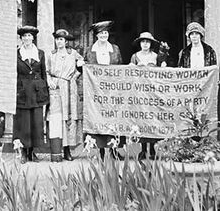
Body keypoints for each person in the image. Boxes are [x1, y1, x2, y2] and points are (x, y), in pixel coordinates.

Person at [85, 20, 124, 159]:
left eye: (106, 33)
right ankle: (101, 151)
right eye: (101, 33)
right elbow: (86, 69)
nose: (103, 35)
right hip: (96, 92)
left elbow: (120, 67)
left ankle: (113, 150)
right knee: (99, 118)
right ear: (96, 35)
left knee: (113, 118)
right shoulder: (90, 50)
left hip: (112, 91)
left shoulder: (115, 49)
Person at [46, 29, 84, 162]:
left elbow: (81, 67)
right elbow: (46, 71)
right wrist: (50, 81)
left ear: (66, 41)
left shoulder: (72, 53)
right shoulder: (51, 55)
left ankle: (68, 150)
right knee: (57, 118)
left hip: (69, 87)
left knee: (68, 118)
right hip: (56, 88)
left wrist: (74, 76)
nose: (59, 42)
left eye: (61, 39)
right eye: (57, 39)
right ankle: (57, 150)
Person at [130, 32, 169, 160]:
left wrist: (162, 66)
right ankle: (142, 149)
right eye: (143, 42)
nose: (145, 44)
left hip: (153, 93)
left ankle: (152, 149)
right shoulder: (135, 57)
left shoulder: (156, 56)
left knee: (152, 119)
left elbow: (161, 74)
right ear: (140, 44)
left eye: (147, 42)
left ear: (151, 44)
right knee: (141, 119)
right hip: (139, 93)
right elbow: (129, 73)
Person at [13, 25, 49, 163]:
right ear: (21, 39)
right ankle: (23, 151)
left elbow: (43, 72)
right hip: (22, 91)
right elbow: (13, 73)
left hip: (36, 91)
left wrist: (44, 90)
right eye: (24, 36)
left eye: (29, 36)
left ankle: (32, 152)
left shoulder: (40, 53)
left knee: (36, 123)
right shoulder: (16, 54)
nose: (27, 38)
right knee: (23, 123)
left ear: (33, 38)